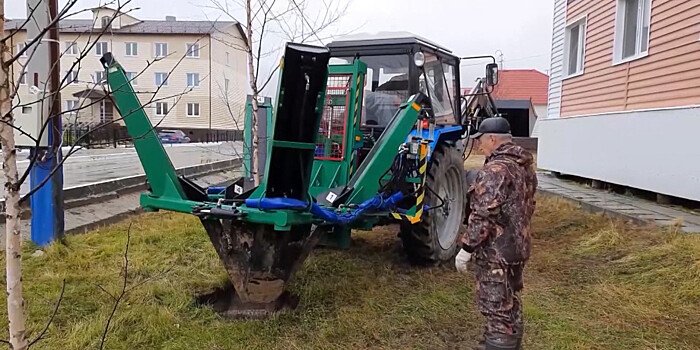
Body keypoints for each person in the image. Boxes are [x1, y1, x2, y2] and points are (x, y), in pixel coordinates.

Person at [455, 117, 537, 350]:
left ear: (492, 139)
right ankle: (507, 345)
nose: (480, 146)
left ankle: (498, 345)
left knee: (496, 307)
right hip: (518, 247)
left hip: (496, 253)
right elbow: (529, 204)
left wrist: (467, 248)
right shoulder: (523, 165)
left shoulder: (495, 170)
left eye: (481, 141)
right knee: (510, 302)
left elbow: (483, 215)